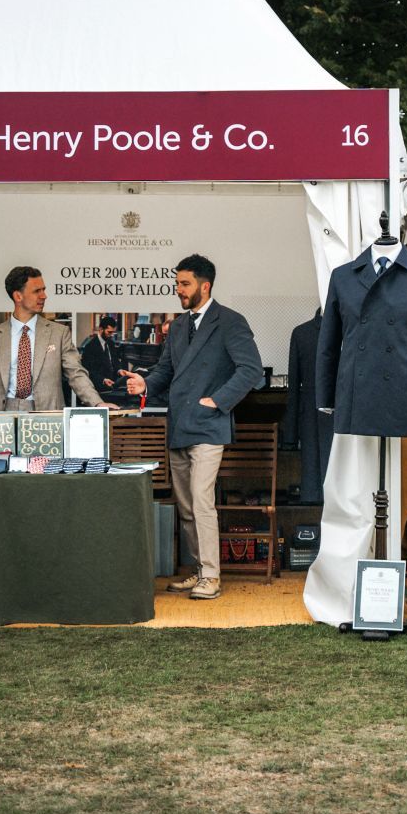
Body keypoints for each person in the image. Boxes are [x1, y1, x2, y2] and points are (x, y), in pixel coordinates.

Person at [124, 254, 264, 602]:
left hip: (209, 426)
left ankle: (212, 576)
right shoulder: (178, 327)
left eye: (184, 284)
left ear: (205, 286)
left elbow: (251, 370)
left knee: (201, 501)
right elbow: (166, 370)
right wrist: (145, 384)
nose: (178, 290)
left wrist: (218, 400)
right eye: (177, 283)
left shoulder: (230, 321)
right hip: (180, 426)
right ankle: (200, 570)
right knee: (186, 507)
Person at [0, 267, 107, 413]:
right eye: (37, 291)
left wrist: (98, 404)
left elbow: (76, 375)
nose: (44, 296)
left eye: (44, 290)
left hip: (47, 419)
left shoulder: (60, 333)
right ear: (18, 296)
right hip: (2, 420)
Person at [80, 316, 122, 400]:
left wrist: (119, 370)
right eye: (109, 332)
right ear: (101, 329)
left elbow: (115, 361)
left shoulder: (111, 343)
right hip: (99, 388)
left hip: (113, 386)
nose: (111, 335)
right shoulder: (90, 347)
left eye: (113, 332)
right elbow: (88, 370)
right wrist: (103, 379)